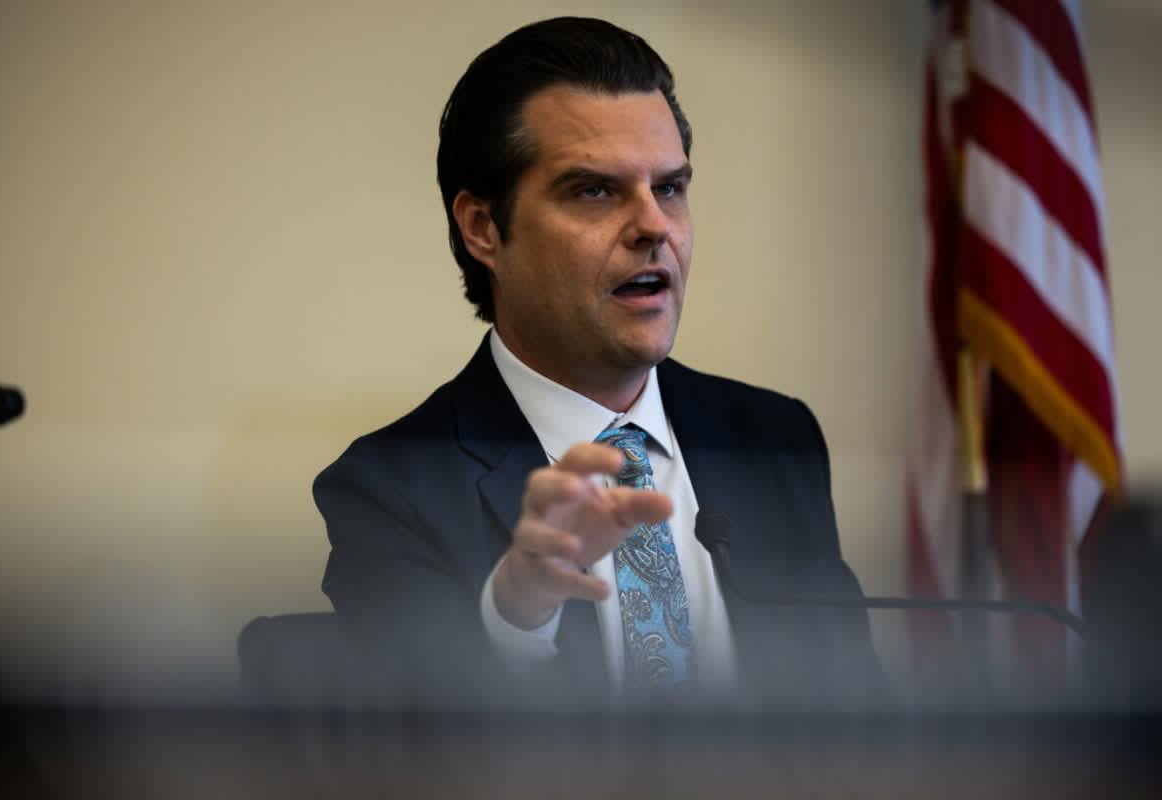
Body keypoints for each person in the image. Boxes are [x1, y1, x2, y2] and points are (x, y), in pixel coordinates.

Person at [314, 16, 882, 707]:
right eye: (594, 191)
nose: (653, 227)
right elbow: (425, 754)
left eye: (669, 188)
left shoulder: (773, 439)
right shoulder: (389, 489)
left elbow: (854, 715)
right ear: (483, 228)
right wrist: (517, 617)